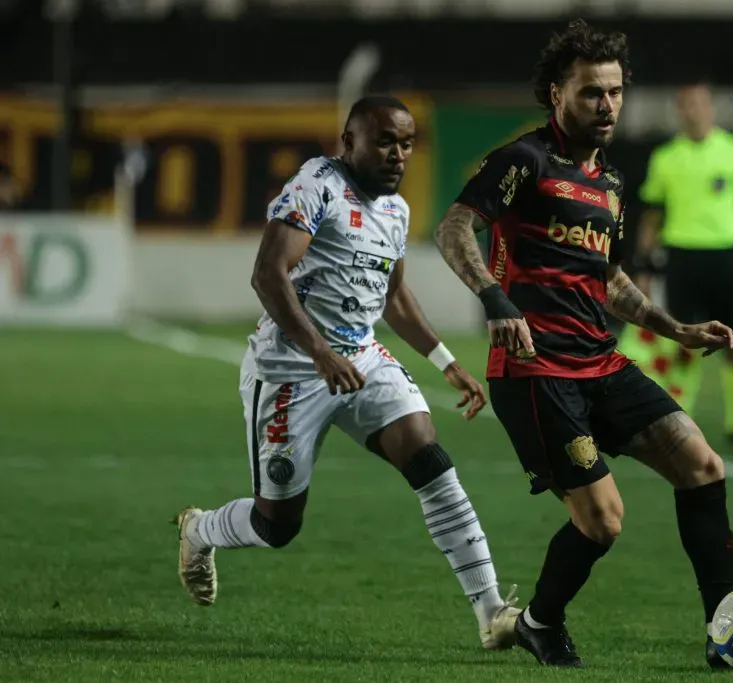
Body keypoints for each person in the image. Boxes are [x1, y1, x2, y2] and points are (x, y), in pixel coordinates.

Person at [433, 20, 733, 668]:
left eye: (614, 92)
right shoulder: (523, 162)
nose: (606, 105)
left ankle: (724, 630)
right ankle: (539, 623)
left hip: (599, 360)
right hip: (535, 371)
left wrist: (674, 328)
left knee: (704, 467)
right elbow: (455, 228)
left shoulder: (609, 182)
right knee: (604, 520)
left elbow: (606, 277)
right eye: (591, 93)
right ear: (557, 93)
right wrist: (495, 299)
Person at [173, 95, 521, 650]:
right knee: (277, 525)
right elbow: (268, 274)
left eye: (406, 143)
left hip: (360, 358)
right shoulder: (317, 186)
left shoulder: (396, 209)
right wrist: (319, 354)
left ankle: (492, 613)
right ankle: (200, 530)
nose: (398, 154)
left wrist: (446, 362)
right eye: (385, 141)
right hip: (289, 369)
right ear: (348, 142)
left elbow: (395, 296)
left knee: (427, 454)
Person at [622, 79, 733, 446]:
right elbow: (652, 216)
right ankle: (680, 420)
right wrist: (643, 266)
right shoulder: (665, 158)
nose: (692, 111)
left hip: (726, 257)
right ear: (679, 110)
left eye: (698, 103)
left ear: (711, 107)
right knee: (682, 340)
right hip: (681, 258)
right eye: (685, 104)